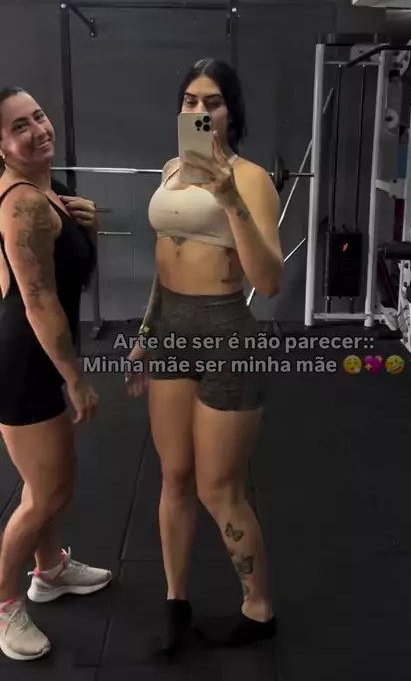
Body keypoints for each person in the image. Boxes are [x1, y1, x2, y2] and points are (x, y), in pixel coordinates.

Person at [125, 59, 283, 652]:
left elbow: (268, 282)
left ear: (230, 112)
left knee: (219, 488)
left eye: (211, 102)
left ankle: (259, 609)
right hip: (170, 328)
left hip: (226, 332)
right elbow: (164, 261)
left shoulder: (251, 178)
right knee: (175, 475)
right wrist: (146, 332)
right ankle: (176, 602)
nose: (198, 111)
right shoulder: (171, 170)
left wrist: (227, 196)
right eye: (189, 101)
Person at [0, 87, 112, 662]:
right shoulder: (21, 202)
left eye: (38, 116)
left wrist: (86, 230)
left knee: (43, 484)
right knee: (49, 492)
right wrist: (76, 378)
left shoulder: (50, 190)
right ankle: (5, 605)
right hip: (27, 363)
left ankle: (49, 571)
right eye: (19, 126)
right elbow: (39, 301)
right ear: (0, 145)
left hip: (36, 352)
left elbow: (65, 278)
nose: (38, 130)